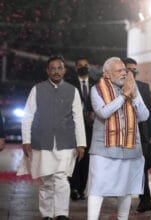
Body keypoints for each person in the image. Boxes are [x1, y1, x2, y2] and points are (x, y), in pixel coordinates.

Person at [20, 55, 86, 220]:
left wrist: (81, 144)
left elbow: (78, 118)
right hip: (42, 141)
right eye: (53, 68)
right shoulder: (37, 89)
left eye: (59, 68)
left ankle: (62, 214)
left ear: (64, 70)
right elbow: (27, 116)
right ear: (47, 71)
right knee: (46, 180)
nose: (56, 71)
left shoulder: (73, 90)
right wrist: (26, 140)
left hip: (66, 142)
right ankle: (47, 214)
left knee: (62, 178)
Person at [87, 57, 149, 220]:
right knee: (97, 188)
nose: (124, 73)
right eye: (119, 71)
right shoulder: (97, 89)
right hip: (104, 149)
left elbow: (144, 116)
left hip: (130, 148)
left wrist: (134, 97)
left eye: (124, 70)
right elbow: (103, 113)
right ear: (107, 74)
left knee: (126, 189)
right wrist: (123, 97)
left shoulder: (132, 87)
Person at [123, 57, 151, 212]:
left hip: (141, 135)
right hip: (121, 135)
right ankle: (125, 201)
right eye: (129, 69)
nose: (132, 72)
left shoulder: (143, 87)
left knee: (141, 168)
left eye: (134, 69)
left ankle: (145, 200)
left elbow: (149, 112)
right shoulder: (116, 86)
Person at [68, 57, 96, 201]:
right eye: (80, 66)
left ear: (89, 67)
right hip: (73, 125)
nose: (83, 67)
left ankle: (81, 188)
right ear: (75, 68)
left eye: (86, 65)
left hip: (91, 127)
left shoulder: (96, 84)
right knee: (75, 157)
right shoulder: (69, 84)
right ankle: (73, 187)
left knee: (86, 159)